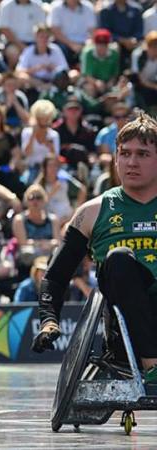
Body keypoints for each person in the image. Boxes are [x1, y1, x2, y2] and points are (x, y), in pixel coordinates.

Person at [32, 113, 157, 384]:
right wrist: (48, 320)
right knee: (119, 258)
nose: (131, 162)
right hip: (125, 331)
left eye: (143, 154)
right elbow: (55, 277)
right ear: (115, 159)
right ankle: (152, 365)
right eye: (124, 153)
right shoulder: (91, 212)